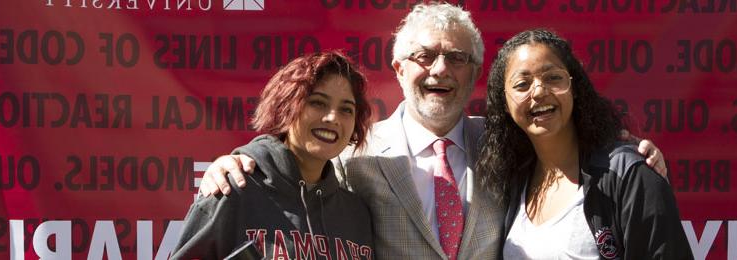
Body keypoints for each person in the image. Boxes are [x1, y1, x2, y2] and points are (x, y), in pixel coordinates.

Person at [198, 3, 668, 259]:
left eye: (458, 58)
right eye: (425, 56)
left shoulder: (507, 144)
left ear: (475, 73)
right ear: (399, 68)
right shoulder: (353, 150)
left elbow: (565, 132)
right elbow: (297, 153)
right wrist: (241, 156)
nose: (440, 69)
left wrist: (627, 154)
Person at [477, 29, 692, 259]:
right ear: (505, 103)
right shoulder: (509, 181)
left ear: (574, 87)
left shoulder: (629, 174)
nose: (539, 91)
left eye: (553, 78)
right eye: (522, 84)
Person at [171, 51, 374, 259]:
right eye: (318, 103)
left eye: (346, 109)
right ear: (286, 106)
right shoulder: (233, 191)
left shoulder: (356, 214)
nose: (333, 117)